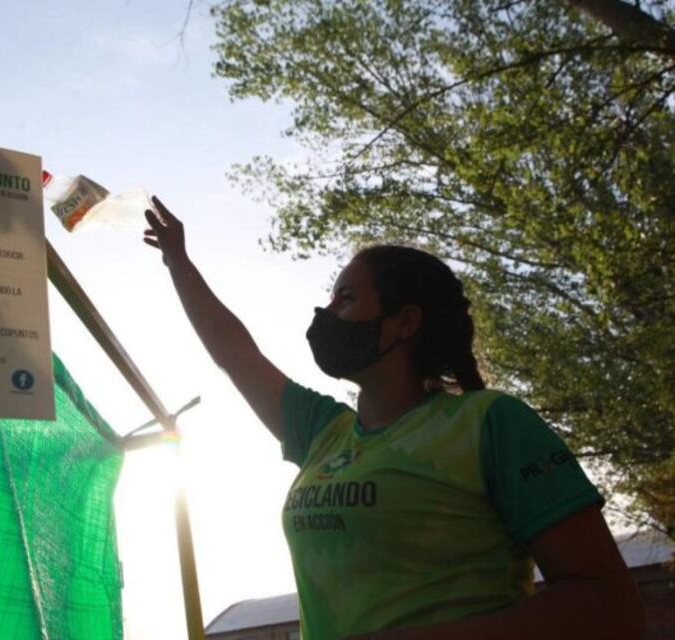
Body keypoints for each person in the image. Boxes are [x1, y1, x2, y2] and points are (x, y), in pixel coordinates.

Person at [143, 197, 646, 640]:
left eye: (346, 298)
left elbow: (609, 607)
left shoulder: (489, 422)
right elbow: (235, 353)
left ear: (405, 321)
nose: (327, 312)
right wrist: (177, 261)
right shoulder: (323, 432)